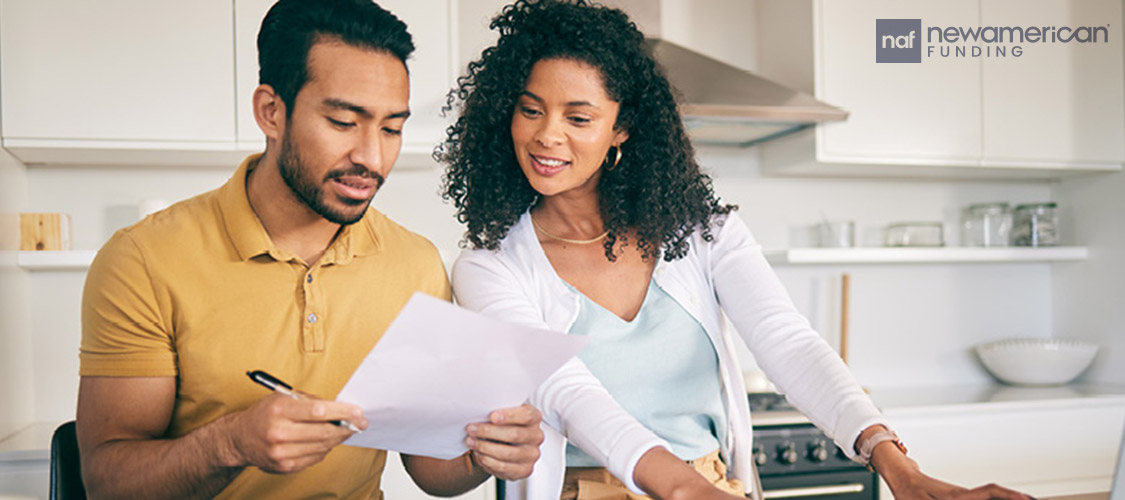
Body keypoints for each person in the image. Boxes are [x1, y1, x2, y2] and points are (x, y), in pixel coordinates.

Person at [439, 1, 1035, 500]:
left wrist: (900, 470)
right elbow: (565, 392)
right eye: (531, 109)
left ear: (620, 129)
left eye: (579, 116)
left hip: (712, 485)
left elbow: (789, 343)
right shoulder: (490, 265)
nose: (548, 135)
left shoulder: (702, 232)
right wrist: (678, 489)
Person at [76, 1, 543, 498]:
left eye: (391, 128)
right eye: (344, 121)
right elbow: (108, 482)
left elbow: (429, 469)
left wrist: (485, 452)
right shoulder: (144, 259)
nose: (372, 157)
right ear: (271, 112)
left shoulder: (414, 264)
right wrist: (230, 443)